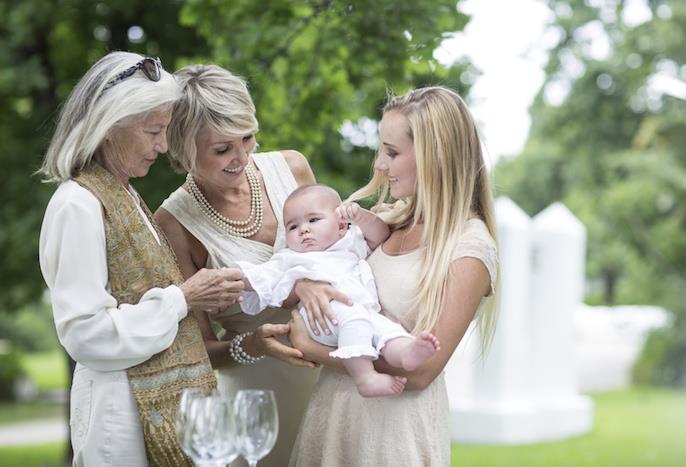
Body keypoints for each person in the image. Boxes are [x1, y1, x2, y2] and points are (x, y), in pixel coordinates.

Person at [38, 52, 244, 467]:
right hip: (120, 423)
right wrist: (182, 300)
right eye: (154, 131)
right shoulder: (77, 204)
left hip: (151, 412)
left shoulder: (125, 195)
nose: (163, 146)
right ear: (109, 127)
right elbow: (86, 335)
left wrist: (199, 299)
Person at [288, 86, 499, 466]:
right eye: (381, 150)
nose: (380, 166)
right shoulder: (387, 220)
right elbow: (320, 263)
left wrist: (313, 347)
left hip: (391, 437)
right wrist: (306, 285)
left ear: (435, 156)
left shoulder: (470, 248)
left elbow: (419, 373)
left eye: (393, 152)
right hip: (332, 417)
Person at [153, 64, 344, 466]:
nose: (241, 157)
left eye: (248, 138)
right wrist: (252, 345)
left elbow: (343, 252)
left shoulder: (292, 168)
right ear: (184, 149)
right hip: (258, 397)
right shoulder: (173, 224)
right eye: (222, 149)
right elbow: (199, 350)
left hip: (336, 370)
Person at [235, 184, 441, 397]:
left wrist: (360, 216)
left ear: (341, 226)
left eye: (313, 220)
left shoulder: (349, 243)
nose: (303, 229)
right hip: (324, 317)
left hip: (363, 312)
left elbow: (380, 234)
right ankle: (365, 378)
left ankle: (406, 352)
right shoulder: (289, 257)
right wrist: (228, 278)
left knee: (385, 329)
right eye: (293, 227)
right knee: (355, 318)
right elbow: (258, 278)